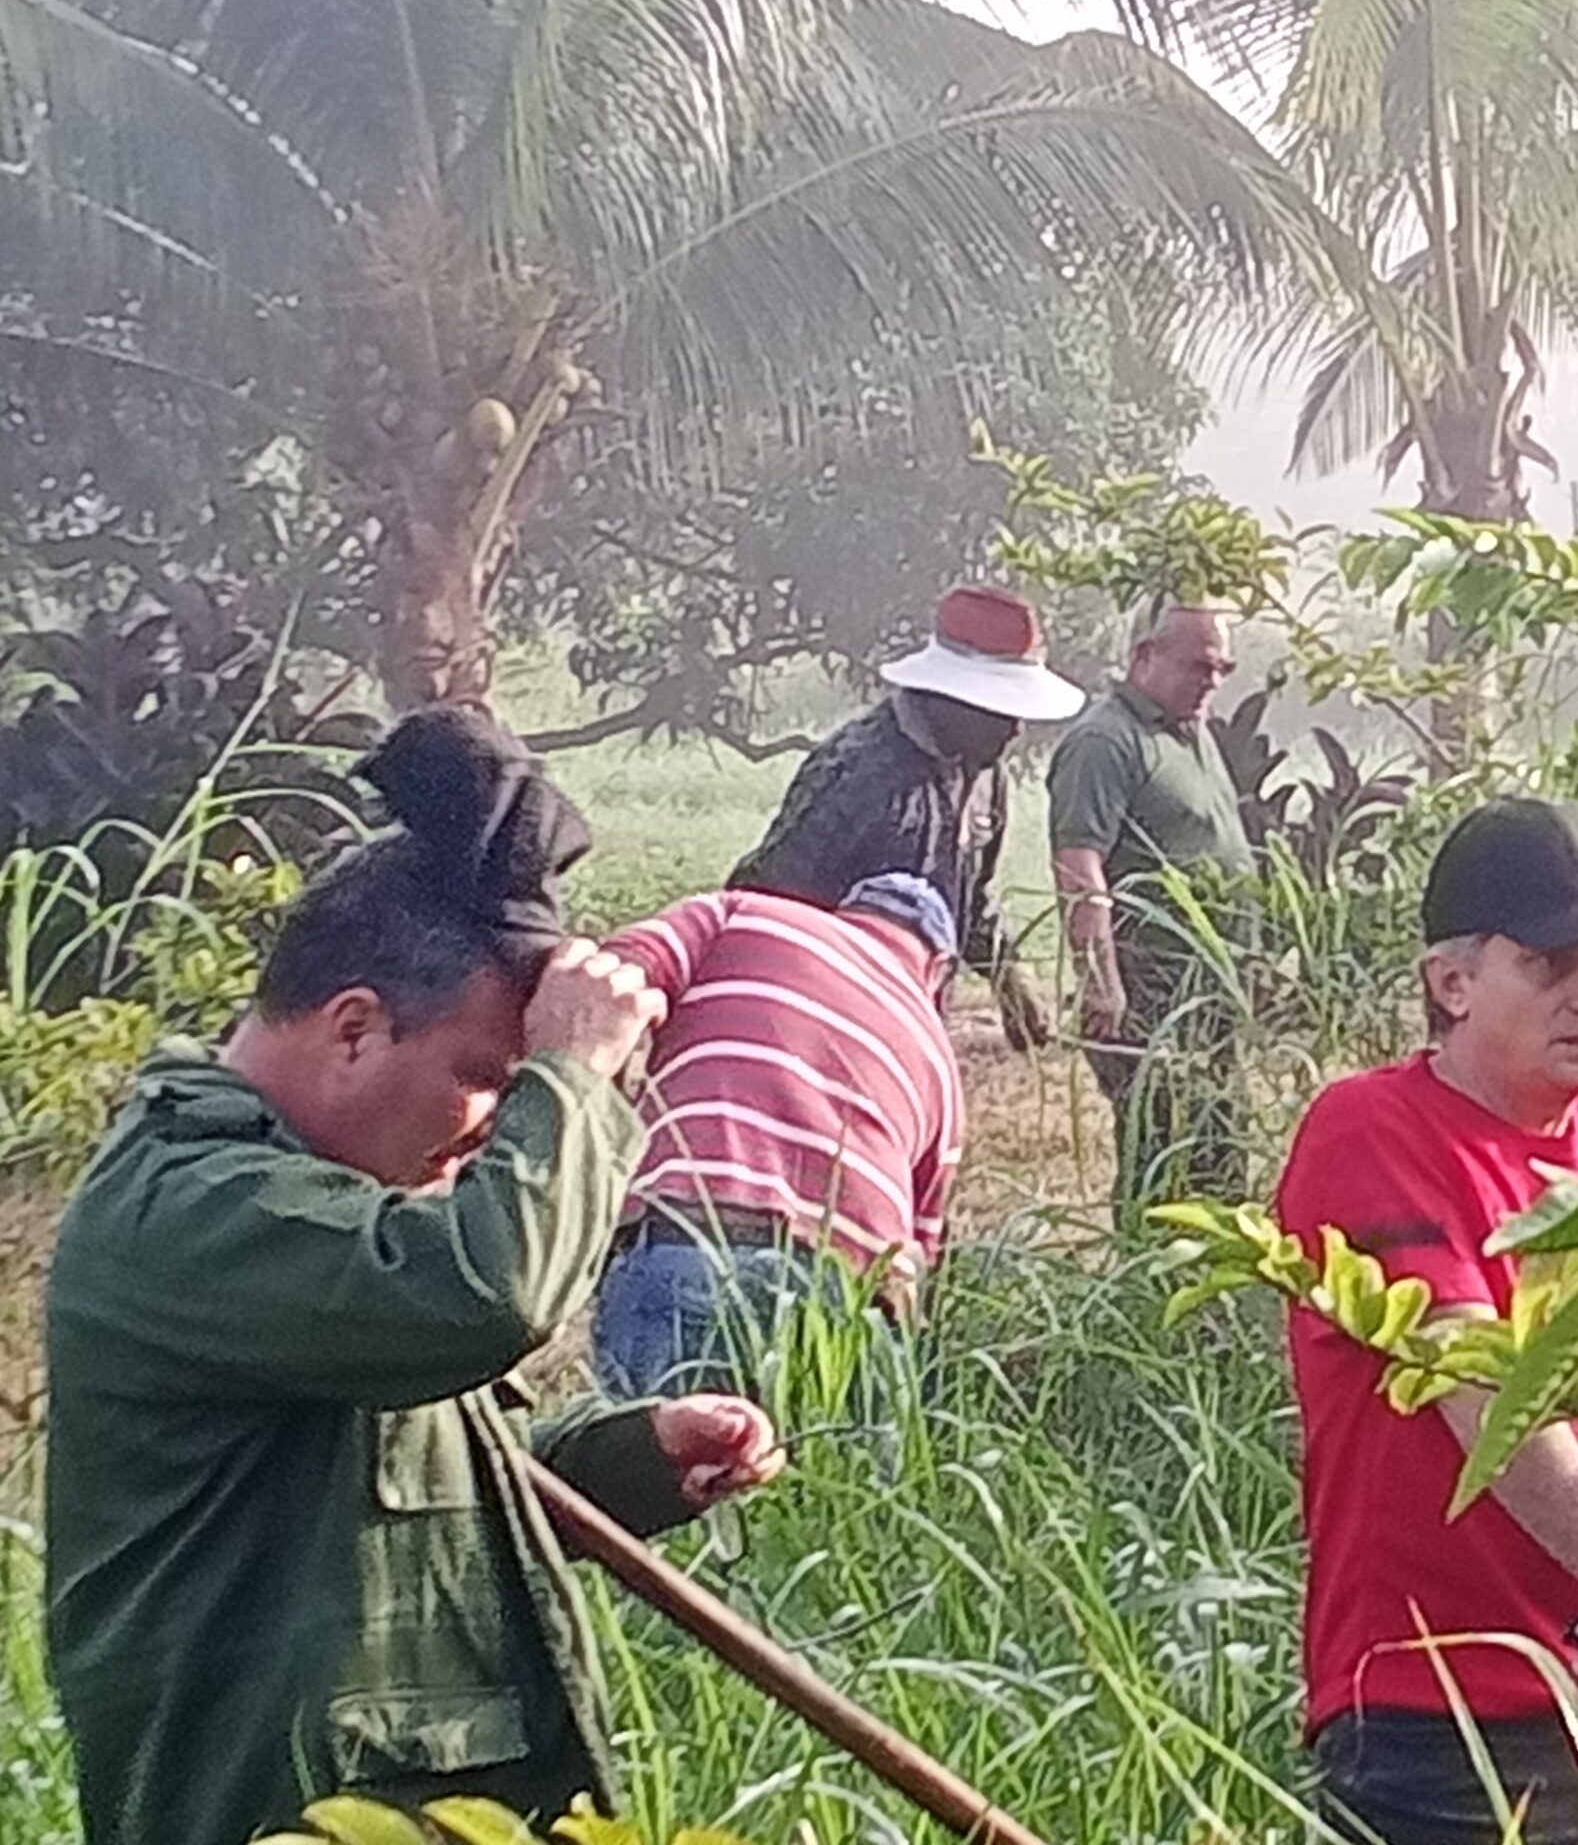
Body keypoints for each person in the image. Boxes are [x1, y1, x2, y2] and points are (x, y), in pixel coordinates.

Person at [42, 708, 786, 1845]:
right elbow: (483, 1300)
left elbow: (421, 1475)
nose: (495, 1130)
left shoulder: (343, 1227)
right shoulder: (189, 1209)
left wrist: (636, 1458)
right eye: (488, 1080)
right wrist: (575, 1075)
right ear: (353, 1031)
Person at [1272, 798, 1578, 1845]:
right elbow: (1477, 1379)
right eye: (1551, 964)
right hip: (1433, 1716)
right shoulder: (1369, 1130)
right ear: (1452, 983)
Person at [592, 871, 964, 1398]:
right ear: (938, 969)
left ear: (848, 913)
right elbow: (918, 1267)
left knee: (651, 1469)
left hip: (692, 1237)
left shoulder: (742, 913)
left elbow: (617, 972)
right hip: (850, 1294)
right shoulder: (940, 1062)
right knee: (833, 1482)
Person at [730, 585, 1084, 1051]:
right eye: (1002, 711)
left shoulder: (984, 774)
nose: (1016, 730)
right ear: (950, 698)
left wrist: (1007, 971)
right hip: (824, 1029)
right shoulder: (859, 777)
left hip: (912, 1026)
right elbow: (767, 906)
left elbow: (969, 897)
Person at [1047, 601, 1253, 1204]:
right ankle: (1148, 1286)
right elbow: (1078, 864)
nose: (1211, 681)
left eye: (1222, 668)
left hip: (1208, 993)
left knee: (1220, 1151)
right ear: (1144, 657)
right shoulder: (1104, 741)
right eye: (1198, 666)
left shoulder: (1194, 732)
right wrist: (1101, 981)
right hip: (1151, 992)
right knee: (1161, 1155)